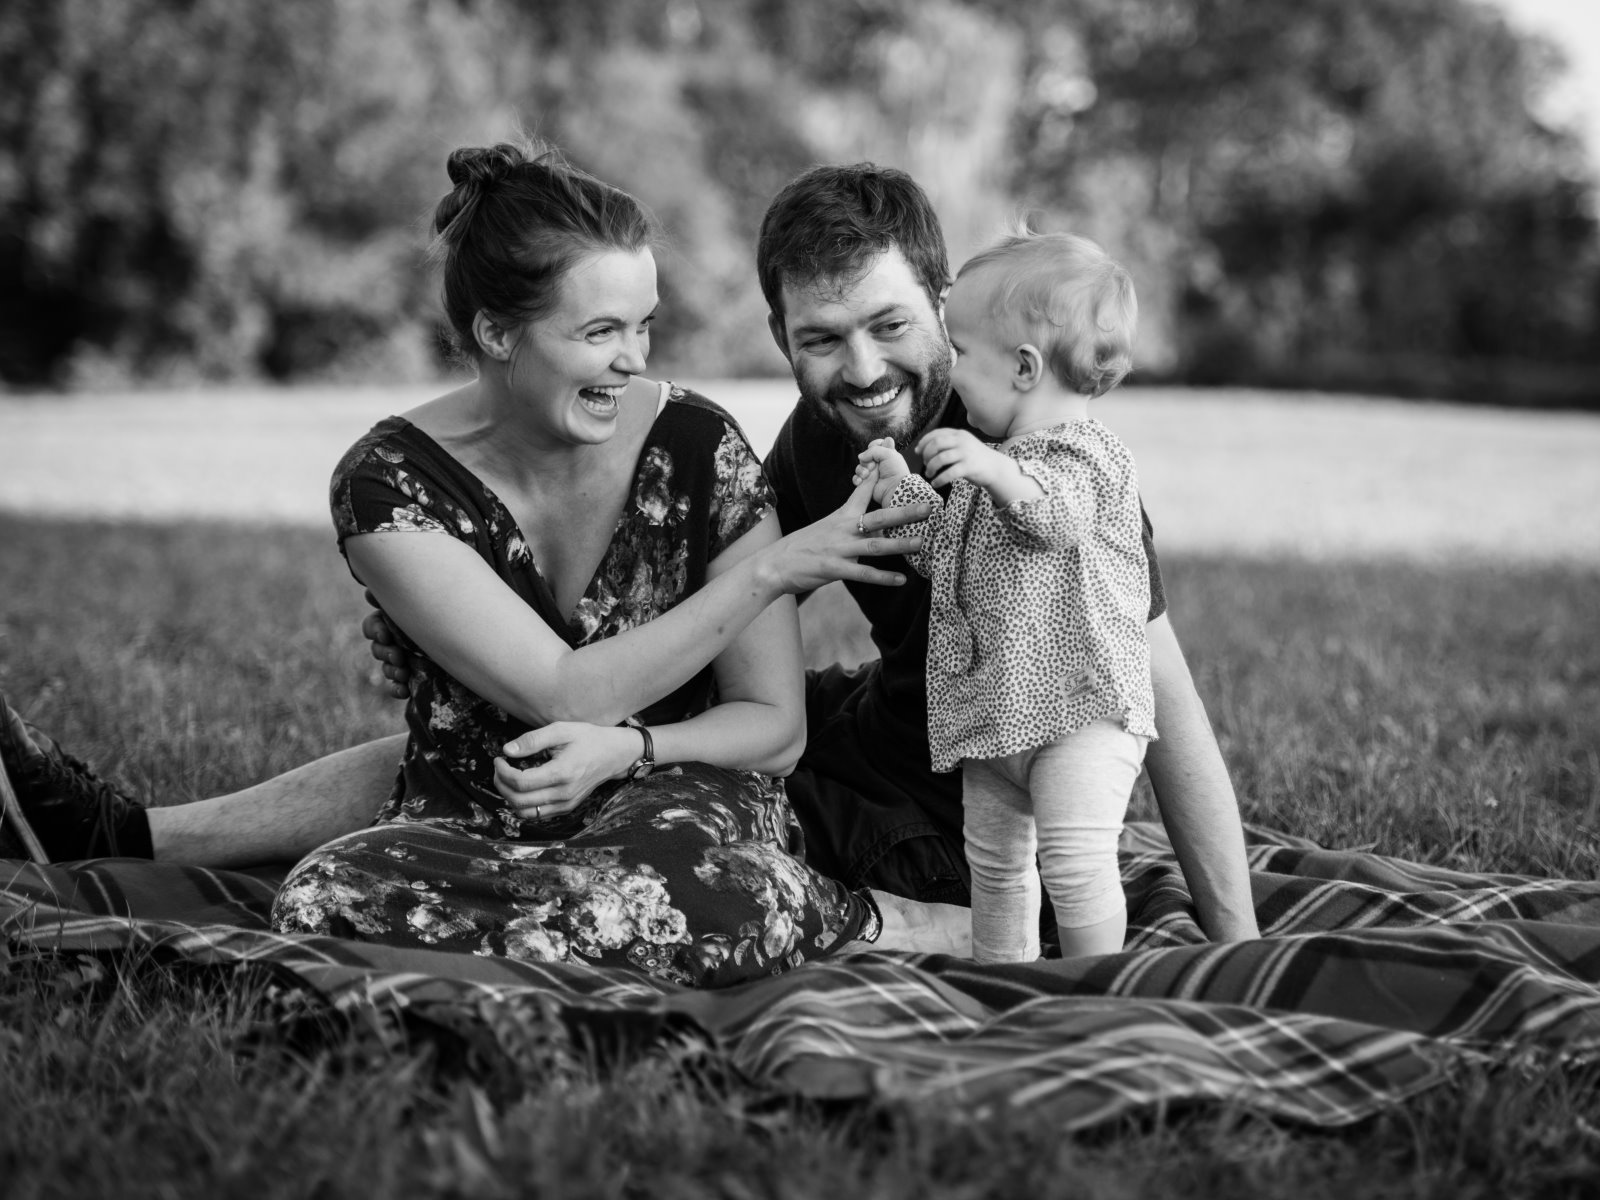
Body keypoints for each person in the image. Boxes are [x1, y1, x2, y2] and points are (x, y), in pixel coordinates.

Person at [1, 161, 1259, 947]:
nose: (861, 368)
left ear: (942, 303)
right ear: (779, 336)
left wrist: (1236, 936)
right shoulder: (814, 443)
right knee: (509, 734)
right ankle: (130, 830)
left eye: (888, 325)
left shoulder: (1034, 455)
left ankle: (931, 925)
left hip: (974, 775)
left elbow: (1160, 693)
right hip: (884, 729)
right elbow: (701, 632)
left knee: (663, 780)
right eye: (820, 339)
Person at [851, 231, 1156, 962]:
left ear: (1024, 367)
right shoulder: (995, 468)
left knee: (1075, 865)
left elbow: (1055, 517)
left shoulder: (1088, 454)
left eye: (959, 351)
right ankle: (1007, 984)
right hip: (997, 715)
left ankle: (1091, 989)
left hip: (1081, 711)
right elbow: (944, 554)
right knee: (994, 870)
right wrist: (898, 487)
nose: (947, 369)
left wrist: (992, 471)